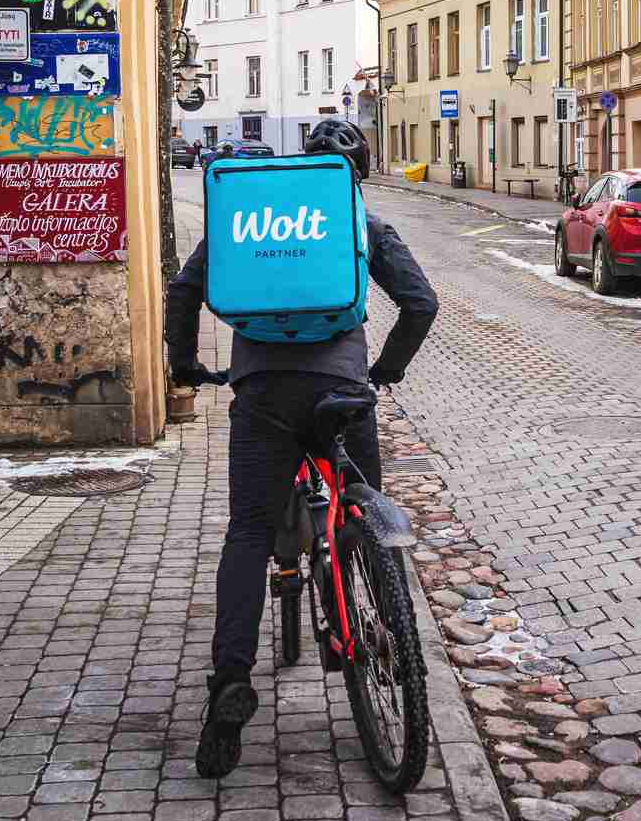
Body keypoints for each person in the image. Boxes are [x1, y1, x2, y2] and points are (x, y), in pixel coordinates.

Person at [164, 118, 438, 779]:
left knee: (250, 532)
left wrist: (182, 364)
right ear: (356, 175)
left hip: (262, 392)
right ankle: (378, 608)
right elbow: (421, 304)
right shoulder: (362, 222)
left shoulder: (249, 213)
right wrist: (386, 370)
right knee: (362, 503)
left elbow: (184, 290)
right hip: (342, 392)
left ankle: (230, 682)